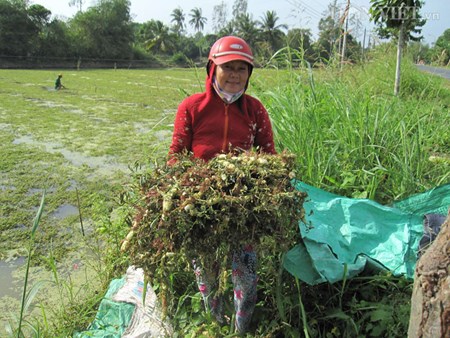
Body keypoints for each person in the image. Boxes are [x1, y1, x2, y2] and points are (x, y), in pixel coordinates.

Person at [168, 36, 276, 333]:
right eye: (228, 67)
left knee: (246, 277)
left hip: (244, 209)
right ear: (212, 68)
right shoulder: (191, 107)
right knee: (207, 274)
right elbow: (175, 157)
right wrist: (195, 185)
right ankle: (214, 321)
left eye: (242, 69)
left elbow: (271, 157)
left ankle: (241, 328)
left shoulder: (255, 110)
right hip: (202, 208)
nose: (234, 75)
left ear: (249, 75)